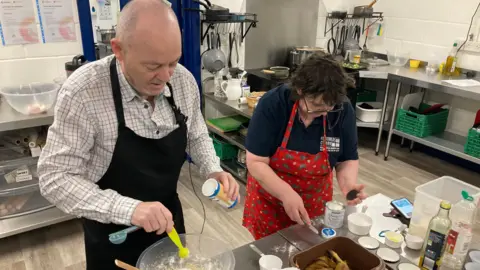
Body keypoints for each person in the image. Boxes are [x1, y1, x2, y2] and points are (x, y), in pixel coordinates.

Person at [37, 0, 240, 268]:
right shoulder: (84, 92)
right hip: (114, 234)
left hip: (169, 223)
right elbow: (55, 178)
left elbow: (197, 134)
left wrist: (213, 169)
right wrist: (130, 209)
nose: (165, 76)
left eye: (173, 62)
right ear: (119, 50)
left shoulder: (182, 80)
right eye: (153, 66)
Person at [242, 52, 367, 240]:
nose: (325, 114)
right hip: (271, 203)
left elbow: (346, 157)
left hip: (314, 202)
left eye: (329, 107)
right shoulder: (273, 104)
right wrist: (286, 194)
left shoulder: (342, 109)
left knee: (309, 250)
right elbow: (256, 162)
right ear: (300, 90)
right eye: (316, 106)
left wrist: (348, 184)